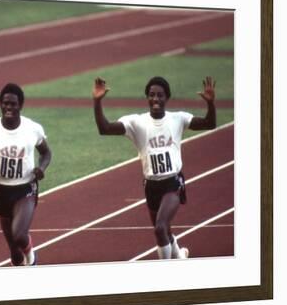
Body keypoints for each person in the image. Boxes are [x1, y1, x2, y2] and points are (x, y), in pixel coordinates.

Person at [92, 76, 216, 259]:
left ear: (167, 98)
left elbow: (209, 124)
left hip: (172, 183)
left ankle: (166, 274)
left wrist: (211, 104)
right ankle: (179, 256)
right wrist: (97, 101)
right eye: (151, 95)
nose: (155, 99)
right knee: (164, 230)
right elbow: (105, 128)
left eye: (160, 95)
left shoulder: (178, 119)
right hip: (151, 186)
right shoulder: (137, 122)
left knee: (160, 228)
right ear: (147, 98)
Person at [0, 83, 52, 266]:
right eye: (5, 103)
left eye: (13, 104)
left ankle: (30, 252)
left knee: (19, 234)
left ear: (20, 105)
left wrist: (41, 168)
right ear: (0, 104)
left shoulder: (32, 128)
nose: (8, 107)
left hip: (26, 188)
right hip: (1, 190)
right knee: (14, 254)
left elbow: (46, 153)